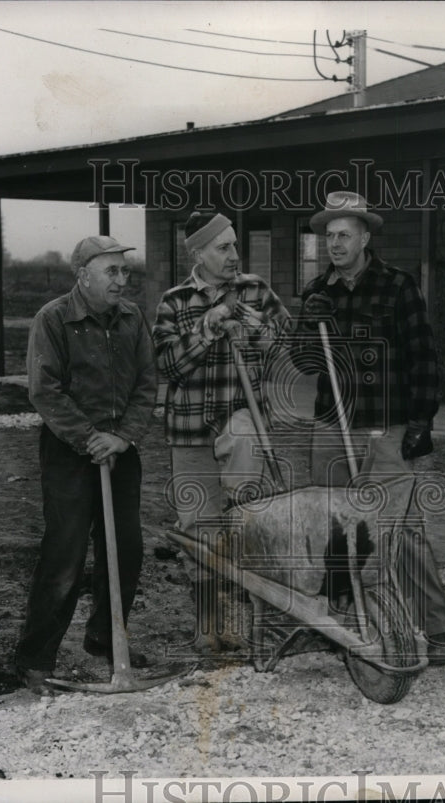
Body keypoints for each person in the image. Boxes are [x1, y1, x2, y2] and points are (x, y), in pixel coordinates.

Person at [292, 190, 445, 666]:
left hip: (386, 429)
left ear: (365, 237)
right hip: (331, 428)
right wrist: (309, 326)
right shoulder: (315, 293)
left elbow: (424, 357)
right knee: (336, 530)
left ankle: (439, 632)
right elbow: (301, 363)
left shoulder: (398, 286)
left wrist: (422, 421)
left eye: (345, 234)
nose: (335, 244)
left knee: (402, 533)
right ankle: (340, 626)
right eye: (329, 236)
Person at [15, 235, 158, 693]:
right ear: (83, 275)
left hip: (120, 450)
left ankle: (105, 640)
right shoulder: (54, 319)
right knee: (65, 555)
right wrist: (88, 437)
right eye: (111, 271)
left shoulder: (133, 318)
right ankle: (35, 659)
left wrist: (121, 437)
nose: (122, 280)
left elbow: (147, 385)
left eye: (124, 271)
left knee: (127, 550)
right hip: (69, 452)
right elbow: (44, 389)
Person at [152, 211, 291, 653]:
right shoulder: (173, 303)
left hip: (243, 427)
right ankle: (208, 627)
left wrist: (265, 335)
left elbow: (290, 349)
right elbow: (168, 367)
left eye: (234, 245)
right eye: (223, 247)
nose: (234, 255)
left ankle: (248, 624)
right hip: (190, 432)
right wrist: (206, 328)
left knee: (246, 522)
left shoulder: (255, 290)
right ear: (197, 253)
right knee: (199, 529)